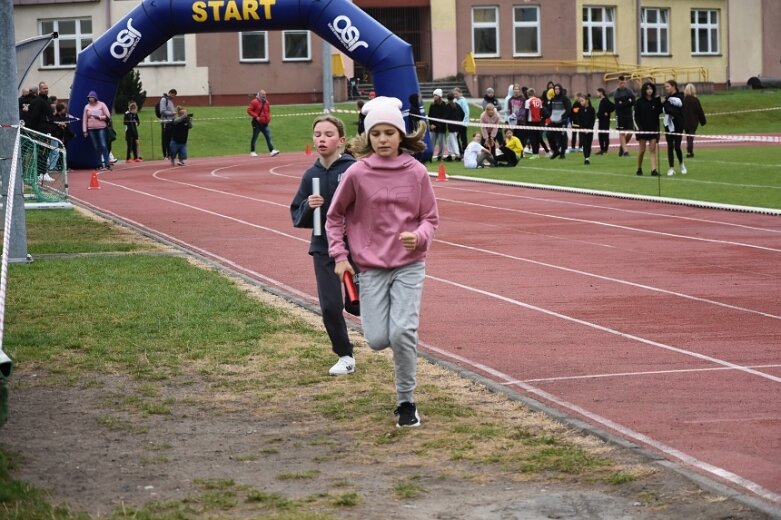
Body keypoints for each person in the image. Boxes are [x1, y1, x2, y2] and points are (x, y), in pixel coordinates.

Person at [326, 96, 439, 428]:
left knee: (403, 331)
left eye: (390, 132)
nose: (384, 139)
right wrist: (340, 257)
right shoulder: (357, 173)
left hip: (409, 264)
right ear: (369, 136)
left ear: (401, 135)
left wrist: (418, 237)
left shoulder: (416, 172)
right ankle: (383, 324)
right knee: (377, 339)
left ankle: (406, 402)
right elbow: (334, 218)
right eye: (377, 133)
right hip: (371, 268)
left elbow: (430, 219)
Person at [290, 115, 358, 376]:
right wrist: (309, 206)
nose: (322, 139)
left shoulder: (353, 170)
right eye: (318, 134)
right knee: (330, 306)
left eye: (328, 134)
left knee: (356, 302)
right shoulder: (311, 175)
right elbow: (296, 213)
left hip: (355, 247)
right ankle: (345, 355)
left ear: (341, 141)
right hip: (324, 248)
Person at [633, 82, 662, 176]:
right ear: (644, 90)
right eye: (648, 89)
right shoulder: (639, 101)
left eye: (651, 89)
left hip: (653, 129)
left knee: (652, 149)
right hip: (642, 129)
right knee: (642, 150)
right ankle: (639, 168)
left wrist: (658, 101)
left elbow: (659, 111)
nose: (650, 91)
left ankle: (653, 170)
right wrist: (638, 129)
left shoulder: (655, 100)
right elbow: (635, 116)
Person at [82, 90, 112, 170]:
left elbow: (108, 116)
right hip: (91, 128)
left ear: (95, 98)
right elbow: (84, 119)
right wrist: (85, 130)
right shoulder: (86, 107)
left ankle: (107, 163)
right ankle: (98, 164)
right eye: (89, 98)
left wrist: (99, 117)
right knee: (96, 147)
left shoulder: (102, 104)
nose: (90, 99)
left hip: (101, 127)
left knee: (103, 145)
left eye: (92, 97)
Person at [662, 80, 686, 176]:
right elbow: (665, 109)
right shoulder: (667, 98)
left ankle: (681, 164)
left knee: (677, 146)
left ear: (673, 86)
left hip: (678, 125)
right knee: (670, 146)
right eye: (665, 86)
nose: (665, 88)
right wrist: (666, 106)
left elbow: (675, 111)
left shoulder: (680, 97)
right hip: (668, 125)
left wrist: (667, 106)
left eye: (667, 86)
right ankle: (671, 168)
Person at [247, 90, 280, 157]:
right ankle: (252, 151)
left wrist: (268, 119)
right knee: (255, 137)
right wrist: (256, 116)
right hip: (257, 123)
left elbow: (268, 112)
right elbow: (249, 110)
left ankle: (272, 151)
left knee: (268, 137)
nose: (264, 95)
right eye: (262, 94)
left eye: (265, 94)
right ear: (259, 94)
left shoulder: (266, 102)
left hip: (264, 123)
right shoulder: (254, 102)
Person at [545, 83, 571, 159]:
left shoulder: (565, 99)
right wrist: (549, 114)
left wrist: (563, 117)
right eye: (555, 89)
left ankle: (562, 154)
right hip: (553, 121)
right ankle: (556, 151)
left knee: (562, 138)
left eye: (558, 89)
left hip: (562, 122)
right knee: (548, 135)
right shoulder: (553, 99)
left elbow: (569, 109)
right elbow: (550, 109)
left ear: (561, 89)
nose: (557, 90)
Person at [613, 76, 635, 157]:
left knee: (630, 133)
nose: (622, 84)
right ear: (618, 83)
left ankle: (622, 146)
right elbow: (618, 105)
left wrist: (623, 103)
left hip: (628, 114)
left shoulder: (629, 91)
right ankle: (626, 151)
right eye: (620, 83)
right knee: (622, 133)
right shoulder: (616, 93)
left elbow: (633, 102)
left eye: (623, 83)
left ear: (625, 82)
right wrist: (627, 102)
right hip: (620, 115)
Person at [683, 83, 707, 158]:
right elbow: (699, 111)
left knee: (688, 136)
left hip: (685, 122)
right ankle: (690, 151)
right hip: (693, 122)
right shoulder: (695, 100)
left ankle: (689, 150)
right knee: (691, 136)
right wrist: (703, 121)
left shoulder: (683, 100)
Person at [524, 88, 545, 159]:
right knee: (537, 137)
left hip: (531, 121)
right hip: (538, 121)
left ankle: (535, 153)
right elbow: (541, 111)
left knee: (532, 138)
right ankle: (537, 153)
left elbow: (527, 112)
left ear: (527, 94)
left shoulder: (528, 101)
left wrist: (526, 122)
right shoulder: (539, 100)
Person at [427, 88, 448, 160]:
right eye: (434, 95)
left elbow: (445, 116)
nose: (434, 97)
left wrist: (438, 124)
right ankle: (430, 156)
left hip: (441, 127)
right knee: (432, 142)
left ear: (439, 96)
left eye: (436, 95)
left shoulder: (444, 105)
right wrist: (431, 124)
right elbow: (430, 115)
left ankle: (440, 156)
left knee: (441, 143)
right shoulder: (432, 105)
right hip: (433, 127)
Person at [575, 93, 596, 165]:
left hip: (590, 130)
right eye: (580, 101)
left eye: (582, 101)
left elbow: (592, 120)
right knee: (584, 144)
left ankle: (588, 157)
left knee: (589, 144)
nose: (581, 102)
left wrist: (589, 129)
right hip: (582, 130)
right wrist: (583, 129)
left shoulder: (592, 109)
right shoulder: (580, 110)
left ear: (587, 101)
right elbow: (578, 120)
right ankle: (586, 158)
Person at [444, 92, 465, 161]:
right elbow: (463, 114)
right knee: (449, 139)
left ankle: (458, 155)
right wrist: (460, 121)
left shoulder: (447, 106)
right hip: (458, 126)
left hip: (452, 127)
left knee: (454, 141)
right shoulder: (457, 105)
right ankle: (450, 154)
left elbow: (446, 116)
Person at [595, 88, 614, 155]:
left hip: (605, 120)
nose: (596, 94)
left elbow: (613, 106)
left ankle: (605, 149)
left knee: (605, 135)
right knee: (600, 135)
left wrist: (607, 112)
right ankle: (602, 149)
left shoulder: (605, 100)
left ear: (601, 92)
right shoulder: (601, 100)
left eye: (597, 92)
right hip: (601, 120)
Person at [452, 87, 470, 154]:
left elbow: (466, 112)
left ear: (460, 93)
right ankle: (460, 151)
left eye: (456, 94)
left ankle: (465, 151)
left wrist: (464, 122)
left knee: (463, 138)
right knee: (456, 137)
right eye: (454, 94)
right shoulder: (455, 101)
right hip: (457, 123)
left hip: (463, 123)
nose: (455, 95)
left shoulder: (463, 101)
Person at [159, 89, 177, 159]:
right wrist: (172, 113)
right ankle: (166, 155)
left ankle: (170, 154)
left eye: (174, 96)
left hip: (171, 122)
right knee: (165, 139)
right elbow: (162, 111)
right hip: (165, 122)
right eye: (173, 95)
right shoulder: (164, 100)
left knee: (171, 139)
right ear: (170, 93)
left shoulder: (170, 101)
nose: (173, 97)